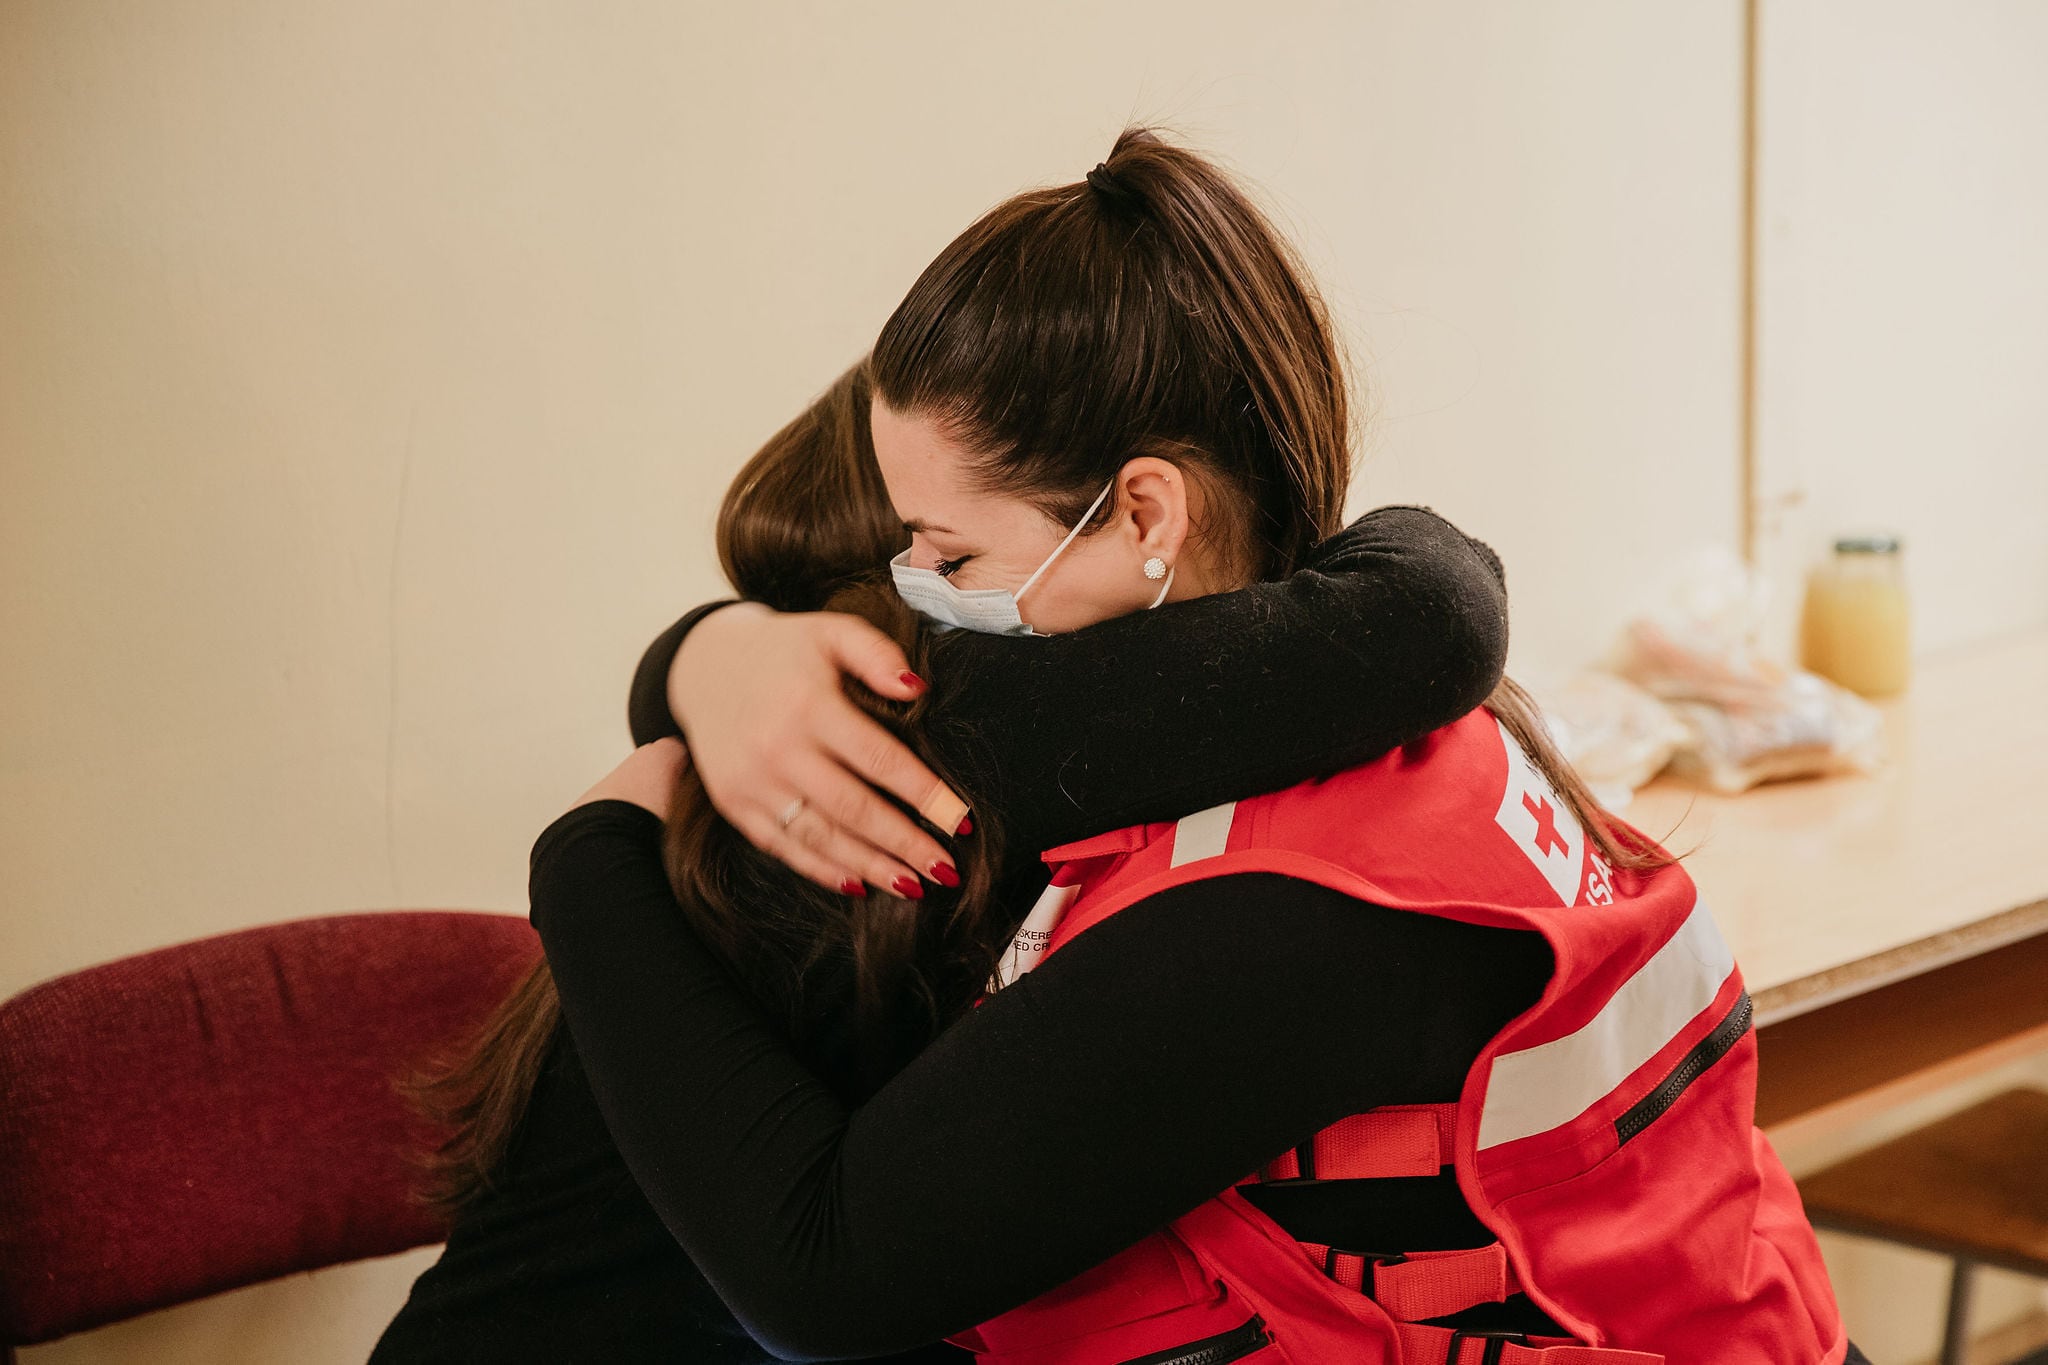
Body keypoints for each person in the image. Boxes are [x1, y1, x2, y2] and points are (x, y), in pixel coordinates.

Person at [530, 130, 1864, 1363]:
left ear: (1145, 514)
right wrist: (706, 657)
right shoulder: (1393, 703)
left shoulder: (1276, 910)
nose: (930, 605)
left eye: (953, 555)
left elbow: (822, 1275)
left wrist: (587, 847)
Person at [371, 366, 1518, 1358]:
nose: (1230, 631)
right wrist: (591, 838)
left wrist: (692, 655)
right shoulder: (932, 780)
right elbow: (1409, 618)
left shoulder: (819, 753)